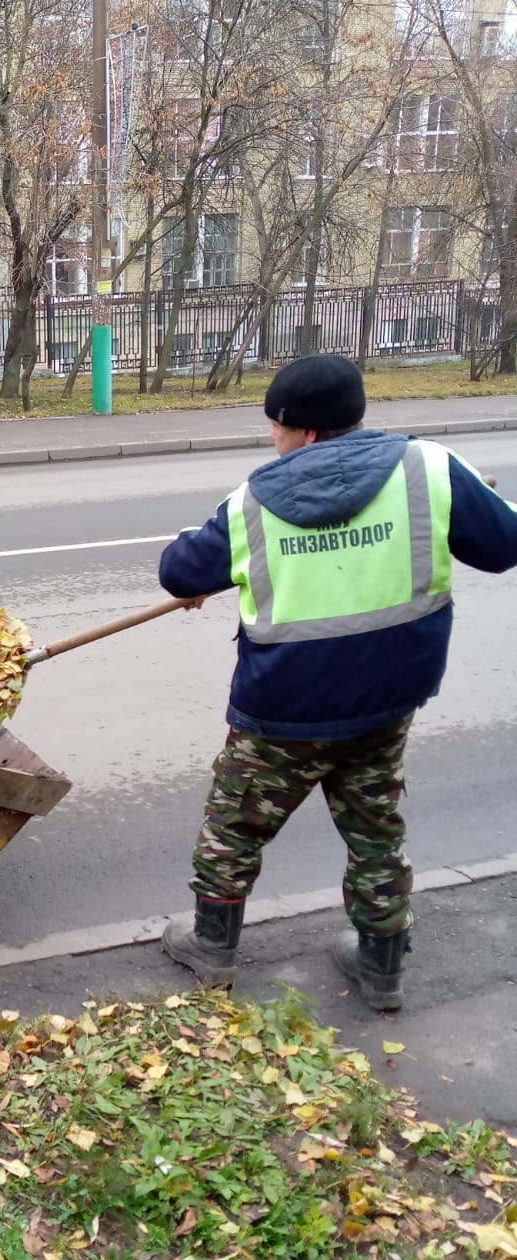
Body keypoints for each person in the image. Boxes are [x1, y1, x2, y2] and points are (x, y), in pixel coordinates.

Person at [157, 353, 517, 1011]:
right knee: (374, 824)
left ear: (309, 432)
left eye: (276, 427)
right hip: (386, 701)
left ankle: (211, 948)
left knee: (233, 826)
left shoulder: (253, 503)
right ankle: (381, 965)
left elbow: (180, 571)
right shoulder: (430, 471)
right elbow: (503, 545)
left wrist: (211, 563)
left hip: (281, 711)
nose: (272, 438)